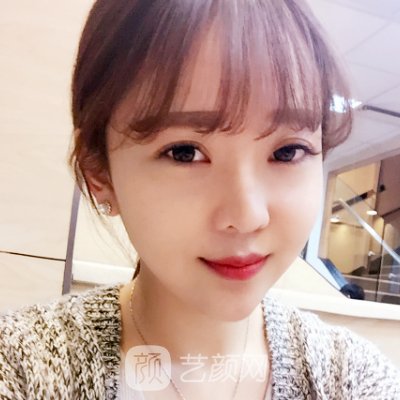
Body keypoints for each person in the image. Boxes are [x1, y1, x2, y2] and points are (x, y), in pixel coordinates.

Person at [1, 0, 399, 399]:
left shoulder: (352, 378)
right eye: (184, 152)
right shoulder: (22, 368)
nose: (247, 216)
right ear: (100, 173)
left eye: (287, 151)